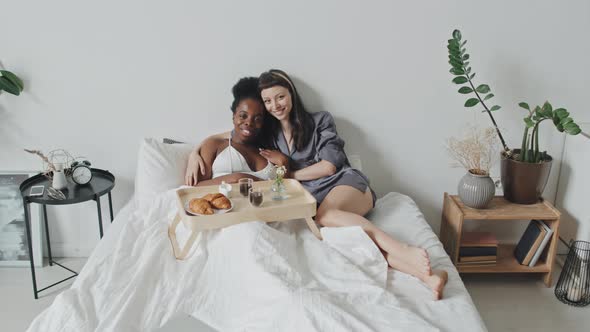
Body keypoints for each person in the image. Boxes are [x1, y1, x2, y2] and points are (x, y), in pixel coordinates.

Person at [185, 70, 447, 299]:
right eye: (268, 101)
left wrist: (287, 172)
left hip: (345, 184)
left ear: (291, 95)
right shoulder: (269, 136)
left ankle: (403, 248)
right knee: (343, 238)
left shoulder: (320, 121)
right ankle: (429, 276)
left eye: (280, 97)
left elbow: (329, 166)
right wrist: (197, 150)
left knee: (327, 216)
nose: (275, 105)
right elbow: (235, 131)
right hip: (313, 199)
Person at [194, 76, 278, 186]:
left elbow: (282, 188)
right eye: (243, 116)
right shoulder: (214, 145)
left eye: (257, 119)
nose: (249, 123)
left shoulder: (269, 150)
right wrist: (238, 178)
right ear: (234, 116)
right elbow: (196, 187)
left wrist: (284, 163)